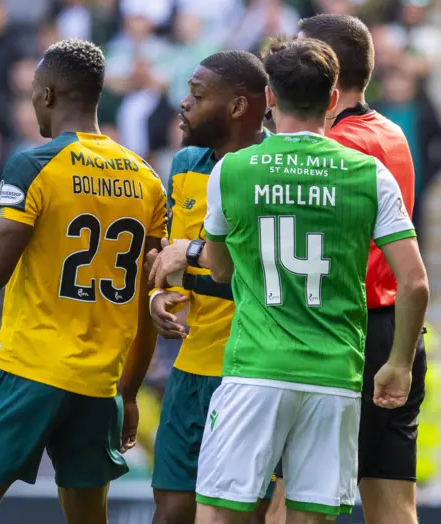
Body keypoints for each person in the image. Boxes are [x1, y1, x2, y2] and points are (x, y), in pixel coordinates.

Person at [153, 37, 429, 524]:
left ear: (272, 100)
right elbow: (415, 283)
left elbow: (218, 268)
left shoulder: (233, 170)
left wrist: (189, 252)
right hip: (335, 375)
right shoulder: (370, 173)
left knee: (217, 514)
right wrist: (400, 364)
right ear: (330, 101)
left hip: (256, 368)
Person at [0, 39, 166, 524]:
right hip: (99, 385)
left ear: (48, 95)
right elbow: (145, 303)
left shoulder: (35, 164)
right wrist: (129, 394)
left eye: (33, 93)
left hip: (28, 370)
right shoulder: (147, 180)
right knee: (89, 517)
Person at [298, 15, 426, 524]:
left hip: (344, 333)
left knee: (295, 503)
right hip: (399, 334)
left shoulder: (335, 151)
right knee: (393, 505)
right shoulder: (390, 132)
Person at [147, 50, 284, 524]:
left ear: (239, 107)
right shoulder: (185, 163)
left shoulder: (276, 170)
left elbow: (252, 274)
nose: (184, 104)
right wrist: (157, 294)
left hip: (251, 371)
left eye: (198, 95)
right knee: (170, 512)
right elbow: (165, 257)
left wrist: (189, 258)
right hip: (189, 368)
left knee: (244, 515)